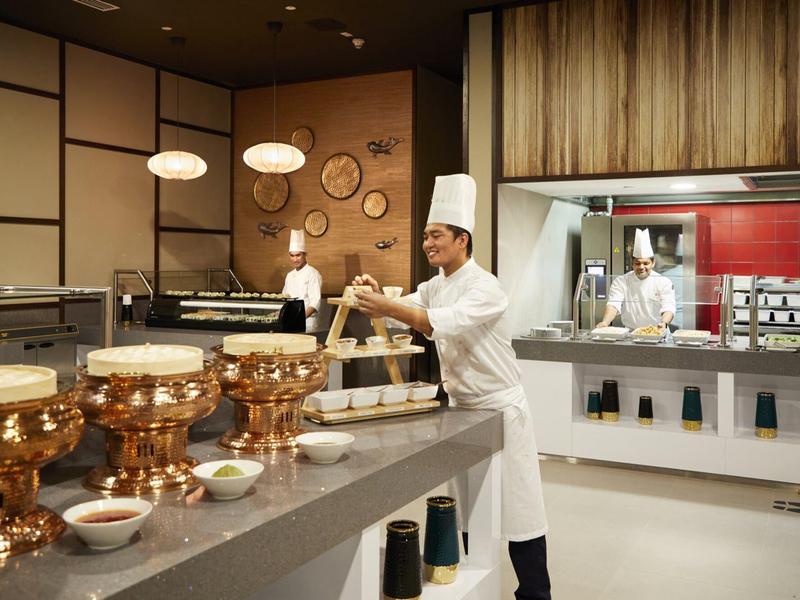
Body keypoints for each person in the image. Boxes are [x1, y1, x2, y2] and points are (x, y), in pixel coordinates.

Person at [353, 173, 551, 600]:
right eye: (426, 236)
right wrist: (376, 297)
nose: (427, 243)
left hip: (501, 408)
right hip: (461, 408)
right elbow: (405, 308)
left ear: (462, 239)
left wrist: (388, 306)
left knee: (519, 508)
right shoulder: (435, 285)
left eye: (436, 235)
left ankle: (535, 594)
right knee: (467, 502)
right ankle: (471, 582)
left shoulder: (485, 287)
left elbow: (437, 321)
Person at [596, 228, 676, 331]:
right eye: (637, 263)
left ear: (653, 263)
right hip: (631, 332)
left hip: (656, 331)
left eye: (646, 263)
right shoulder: (621, 281)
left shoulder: (663, 282)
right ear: (632, 263)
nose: (641, 267)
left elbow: (668, 307)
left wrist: (664, 323)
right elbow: (613, 304)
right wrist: (605, 322)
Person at [281, 229, 322, 332]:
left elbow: (315, 303)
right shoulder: (289, 276)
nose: (295, 259)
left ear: (304, 254)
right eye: (292, 256)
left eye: (298, 255)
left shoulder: (312, 273)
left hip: (307, 323)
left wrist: (299, 318)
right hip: (290, 323)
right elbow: (285, 299)